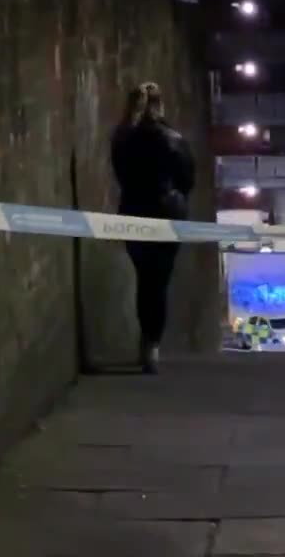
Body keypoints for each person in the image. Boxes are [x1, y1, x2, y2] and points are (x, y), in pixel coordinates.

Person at [111, 82, 195, 374]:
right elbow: (187, 180)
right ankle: (152, 344)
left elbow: (120, 174)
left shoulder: (123, 138)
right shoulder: (174, 139)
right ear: (160, 107)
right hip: (167, 214)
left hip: (133, 213)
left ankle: (147, 340)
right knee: (159, 281)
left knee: (144, 277)